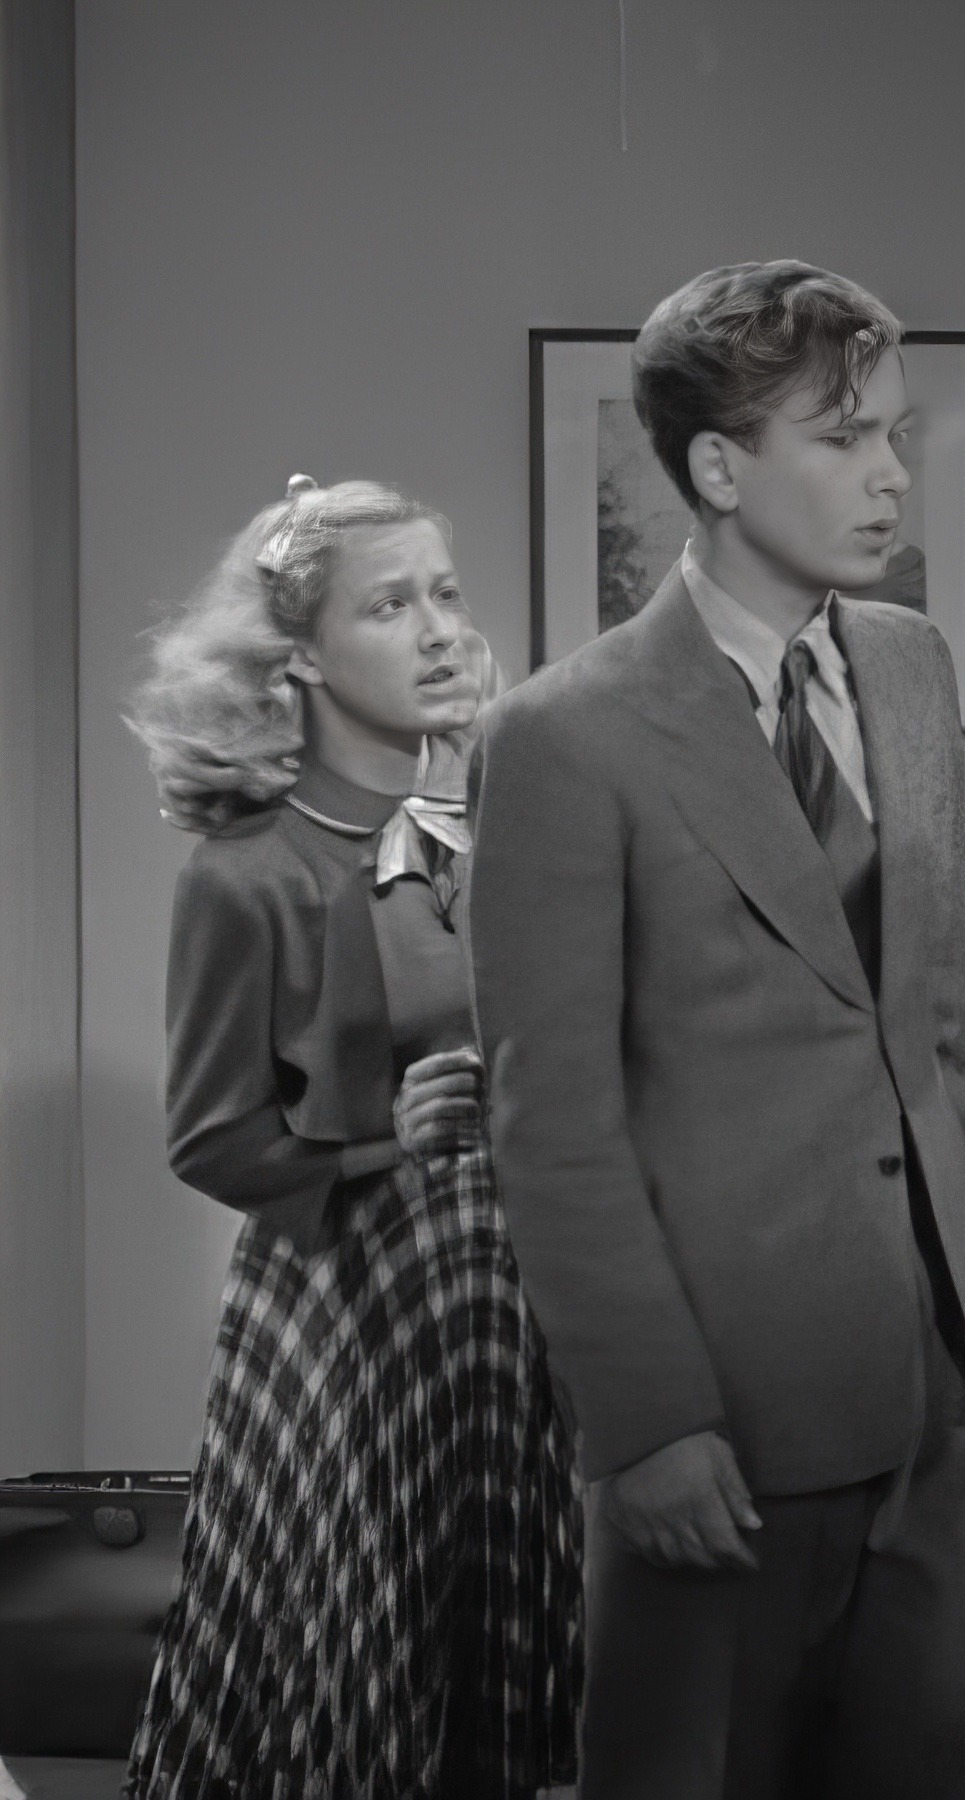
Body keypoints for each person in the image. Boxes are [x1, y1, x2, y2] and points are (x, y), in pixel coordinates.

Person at [468, 261, 965, 1799]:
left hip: (936, 1380)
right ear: (721, 470)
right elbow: (555, 1128)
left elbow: (942, 1004)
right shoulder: (562, 739)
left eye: (895, 434)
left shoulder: (908, 667)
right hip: (725, 1411)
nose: (891, 475)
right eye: (844, 438)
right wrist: (645, 1424)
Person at [122, 476, 581, 1799]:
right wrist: (386, 1139)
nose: (441, 631)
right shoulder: (247, 873)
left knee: (500, 1637)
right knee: (356, 1661)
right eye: (389, 606)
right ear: (303, 657)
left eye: (446, 593)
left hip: (512, 1292)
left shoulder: (507, 831)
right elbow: (209, 1137)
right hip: (348, 1309)